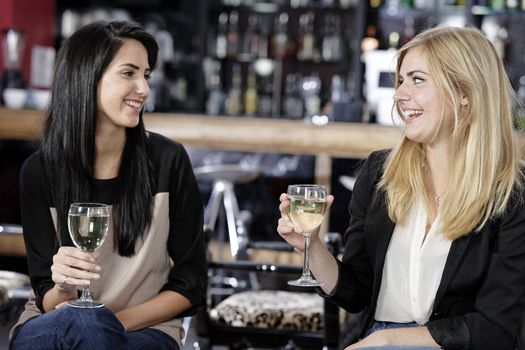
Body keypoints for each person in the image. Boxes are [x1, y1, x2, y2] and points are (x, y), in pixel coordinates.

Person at [278, 26, 525, 350]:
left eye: (417, 79)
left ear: (465, 92)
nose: (399, 94)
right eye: (401, 80)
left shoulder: (511, 194)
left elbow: (497, 328)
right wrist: (311, 246)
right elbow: (356, 293)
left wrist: (390, 339)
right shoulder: (379, 173)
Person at [9, 21, 207, 350]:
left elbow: (192, 285)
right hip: (55, 323)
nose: (143, 89)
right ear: (86, 77)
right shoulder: (41, 171)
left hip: (145, 329)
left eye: (145, 75)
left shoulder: (167, 161)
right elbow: (48, 299)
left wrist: (107, 324)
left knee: (92, 331)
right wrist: (65, 286)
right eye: (129, 73)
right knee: (72, 328)